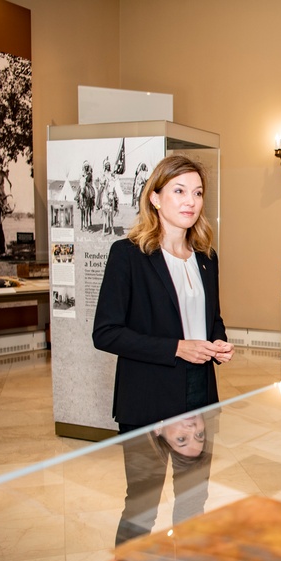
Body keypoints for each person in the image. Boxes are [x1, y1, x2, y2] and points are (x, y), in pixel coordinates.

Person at [93, 154, 234, 435]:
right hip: (147, 395)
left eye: (197, 193)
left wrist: (218, 341)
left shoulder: (207, 258)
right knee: (146, 482)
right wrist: (178, 348)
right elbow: (106, 333)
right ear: (155, 198)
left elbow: (212, 318)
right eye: (179, 191)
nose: (190, 201)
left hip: (200, 389)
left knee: (194, 481)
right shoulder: (127, 255)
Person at [114, 411, 213, 545]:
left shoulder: (197, 420)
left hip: (196, 397)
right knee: (142, 508)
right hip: (144, 402)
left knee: (191, 505)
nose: (193, 429)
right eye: (199, 435)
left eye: (200, 435)